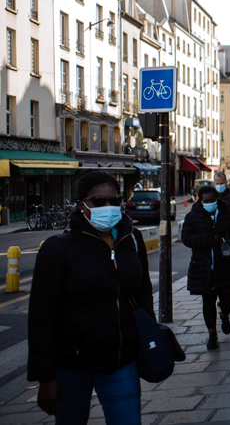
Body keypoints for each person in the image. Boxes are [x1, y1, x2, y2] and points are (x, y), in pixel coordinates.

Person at [28, 170, 153, 425]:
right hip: (72, 365)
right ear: (81, 206)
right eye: (99, 201)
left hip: (121, 361)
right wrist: (46, 377)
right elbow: (42, 316)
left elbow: (142, 291)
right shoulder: (58, 249)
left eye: (114, 200)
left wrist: (148, 340)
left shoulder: (133, 239)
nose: (108, 206)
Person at [181, 185, 230, 350]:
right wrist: (210, 239)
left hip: (226, 266)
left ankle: (224, 315)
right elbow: (186, 238)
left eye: (213, 200)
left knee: (228, 299)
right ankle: (212, 334)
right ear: (201, 201)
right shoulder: (192, 217)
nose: (210, 203)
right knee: (208, 301)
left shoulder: (227, 214)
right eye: (207, 201)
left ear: (217, 199)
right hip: (204, 268)